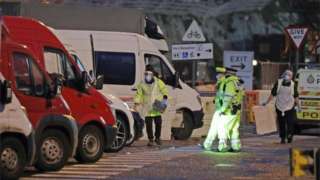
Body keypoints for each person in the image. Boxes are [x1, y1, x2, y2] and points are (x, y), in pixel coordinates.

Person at [203, 67, 244, 152]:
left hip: (226, 110)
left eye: (220, 75)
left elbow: (227, 97)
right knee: (233, 129)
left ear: (226, 74)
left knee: (222, 127)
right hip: (235, 110)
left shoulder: (228, 82)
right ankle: (235, 146)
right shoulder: (238, 82)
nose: (218, 77)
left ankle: (222, 146)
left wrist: (222, 110)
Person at [134, 66, 169, 146]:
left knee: (158, 123)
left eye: (149, 73)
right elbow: (139, 94)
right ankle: (151, 140)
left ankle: (157, 138)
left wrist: (165, 98)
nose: (148, 75)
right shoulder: (142, 83)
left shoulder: (158, 82)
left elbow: (164, 90)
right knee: (149, 125)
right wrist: (136, 103)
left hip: (157, 105)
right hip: (147, 107)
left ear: (153, 74)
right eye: (146, 74)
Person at [263, 70, 299, 144]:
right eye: (287, 74)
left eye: (289, 75)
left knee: (290, 122)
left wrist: (299, 105)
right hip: (280, 106)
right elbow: (273, 94)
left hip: (289, 106)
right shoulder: (278, 82)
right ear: (284, 75)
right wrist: (266, 102)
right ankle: (282, 137)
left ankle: (289, 135)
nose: (288, 76)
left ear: (291, 77)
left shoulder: (293, 84)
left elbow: (296, 96)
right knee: (281, 122)